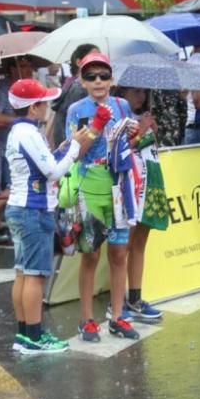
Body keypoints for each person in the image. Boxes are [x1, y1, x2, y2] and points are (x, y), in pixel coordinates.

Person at [6, 79, 94, 353]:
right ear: (34, 108)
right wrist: (76, 149)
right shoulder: (29, 134)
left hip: (20, 208)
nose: (47, 107)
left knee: (22, 273)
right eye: (43, 102)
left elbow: (46, 162)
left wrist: (67, 146)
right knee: (35, 275)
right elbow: (54, 172)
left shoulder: (19, 131)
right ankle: (34, 336)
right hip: (33, 210)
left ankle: (25, 333)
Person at [64, 52, 140, 342]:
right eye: (91, 76)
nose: (98, 81)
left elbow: (128, 146)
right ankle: (87, 320)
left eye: (104, 75)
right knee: (91, 255)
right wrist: (95, 125)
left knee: (120, 253)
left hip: (118, 186)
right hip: (90, 186)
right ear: (82, 81)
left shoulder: (122, 105)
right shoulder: (75, 110)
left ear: (112, 80)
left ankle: (118, 316)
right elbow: (75, 153)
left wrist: (135, 134)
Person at [114, 86, 166, 325]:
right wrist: (140, 132)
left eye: (143, 92)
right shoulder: (118, 118)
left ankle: (136, 298)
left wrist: (151, 131)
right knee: (124, 243)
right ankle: (117, 301)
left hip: (150, 181)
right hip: (130, 185)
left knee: (140, 243)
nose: (141, 97)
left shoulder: (144, 116)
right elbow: (116, 150)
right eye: (134, 92)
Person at [0, 56, 38, 245]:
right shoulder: (1, 89)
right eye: (22, 66)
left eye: (29, 66)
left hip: (11, 144)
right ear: (12, 69)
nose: (27, 70)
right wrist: (17, 120)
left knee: (11, 184)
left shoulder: (27, 91)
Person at [50, 43, 98, 148]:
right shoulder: (80, 89)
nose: (98, 61)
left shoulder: (71, 83)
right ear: (79, 63)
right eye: (93, 58)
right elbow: (81, 127)